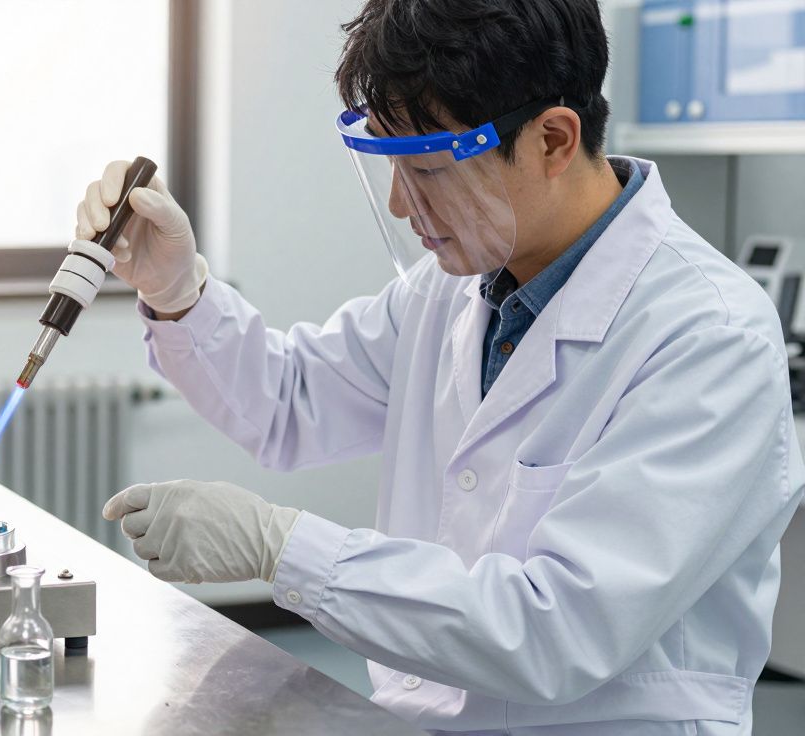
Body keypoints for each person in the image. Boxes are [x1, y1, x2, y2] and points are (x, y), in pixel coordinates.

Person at [85, 1, 805, 734]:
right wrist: (176, 292)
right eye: (392, 167)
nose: (402, 205)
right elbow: (289, 400)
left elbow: (559, 630)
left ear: (552, 140)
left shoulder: (706, 334)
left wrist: (282, 547)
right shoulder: (457, 288)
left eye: (426, 168)